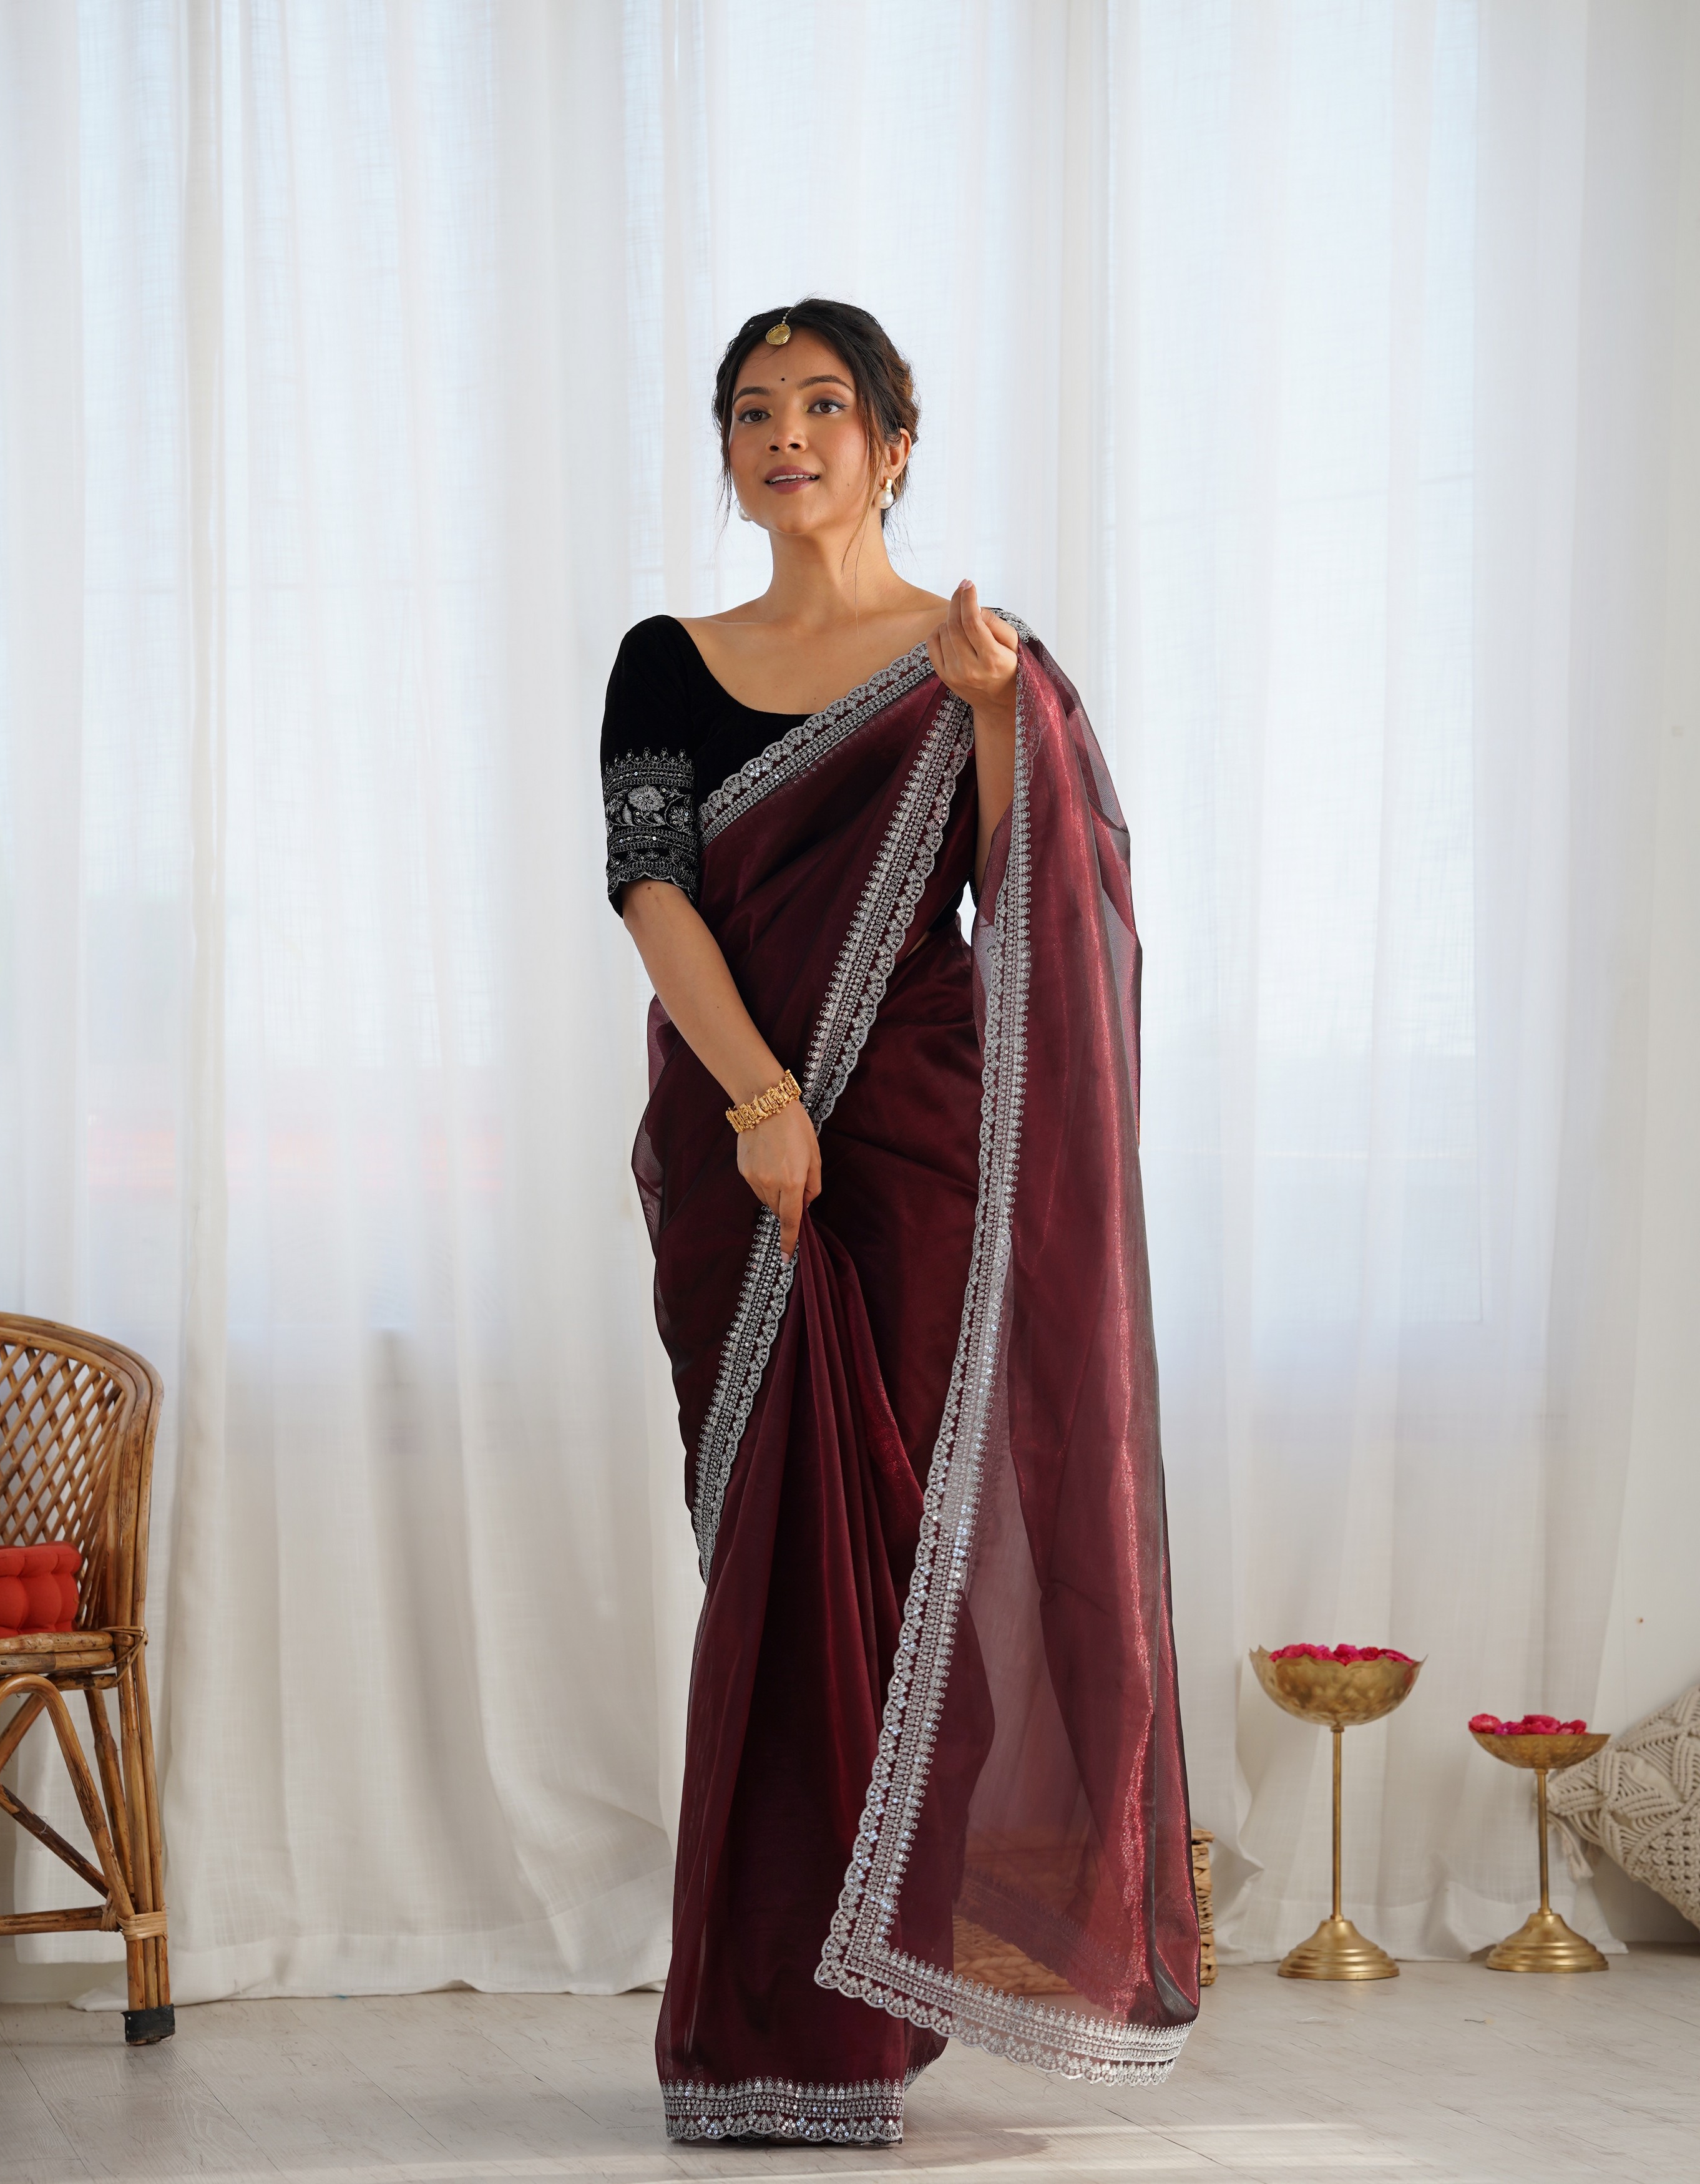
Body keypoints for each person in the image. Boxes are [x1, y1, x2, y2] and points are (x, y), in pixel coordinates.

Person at [601, 298, 1199, 2147]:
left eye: (824, 405)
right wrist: (760, 1104)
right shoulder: (668, 661)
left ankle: (865, 2022)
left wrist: (998, 706)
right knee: (772, 1576)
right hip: (742, 1153)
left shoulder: (965, 655)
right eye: (753, 411)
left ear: (895, 441)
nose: (786, 436)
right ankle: (752, 2028)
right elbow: (650, 887)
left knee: (911, 1574)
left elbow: (1031, 893)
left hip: (922, 1163)